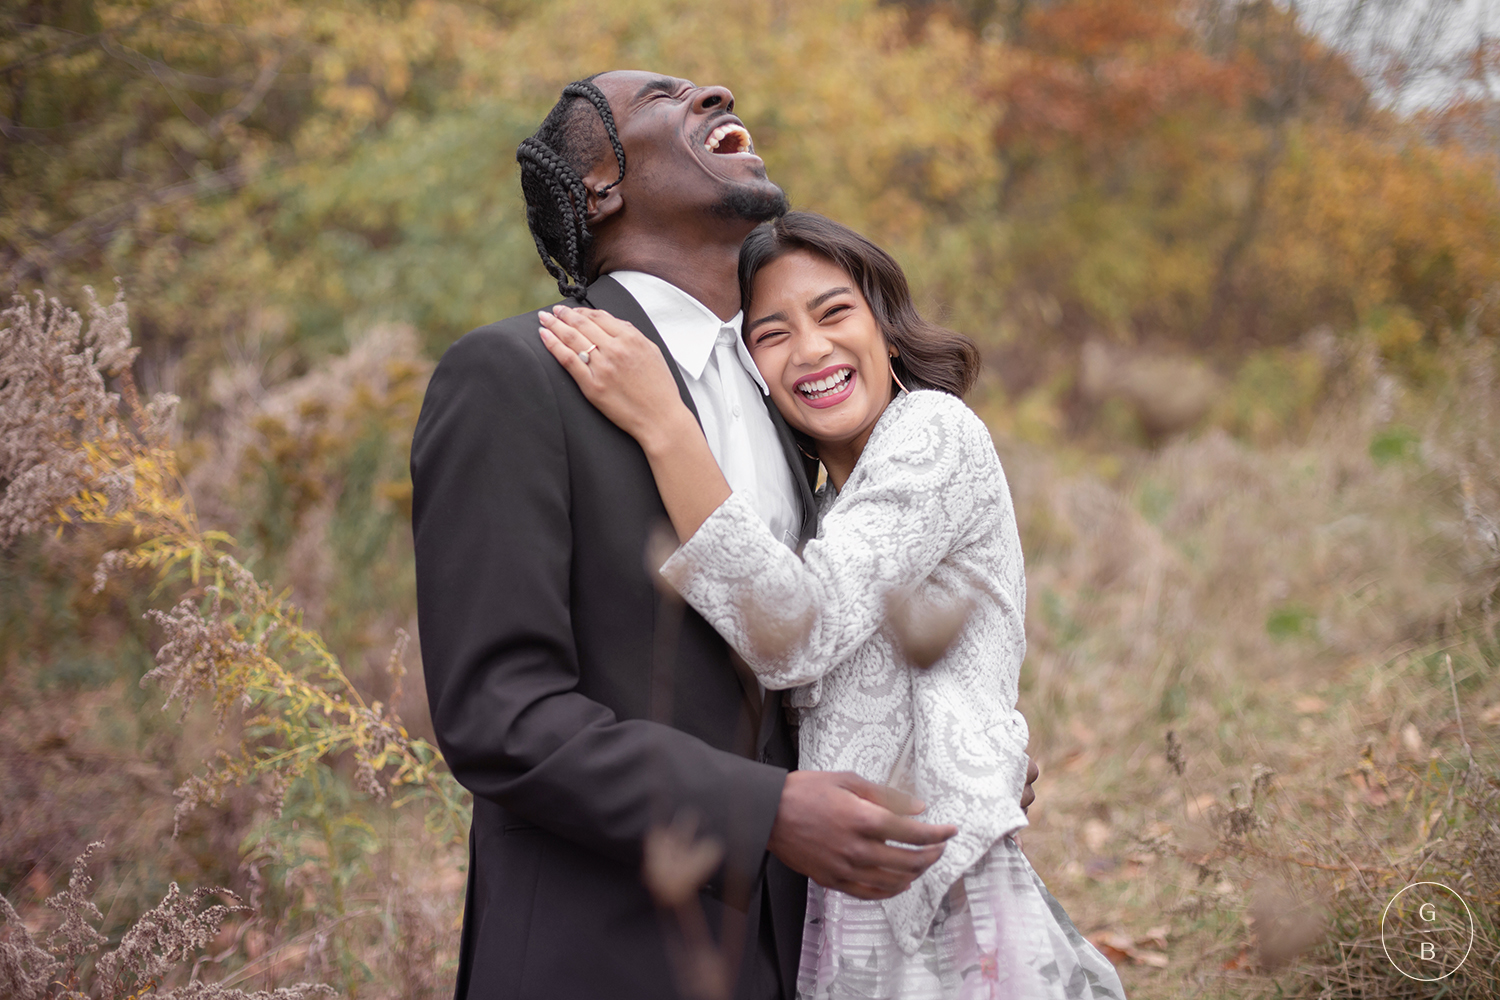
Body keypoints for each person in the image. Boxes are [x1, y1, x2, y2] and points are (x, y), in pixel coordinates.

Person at [411, 73, 1037, 1000]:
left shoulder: (790, 405)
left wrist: (962, 741)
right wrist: (765, 812)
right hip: (596, 951)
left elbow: (824, 632)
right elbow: (501, 717)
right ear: (600, 185)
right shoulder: (509, 377)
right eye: (666, 96)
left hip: (801, 945)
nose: (715, 89)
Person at [536, 211, 1126, 999]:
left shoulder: (932, 430)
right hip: (846, 890)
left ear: (885, 329)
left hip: (934, 880)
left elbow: (795, 632)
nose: (809, 350)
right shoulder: (815, 508)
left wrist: (662, 422)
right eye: (771, 334)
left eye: (833, 312)